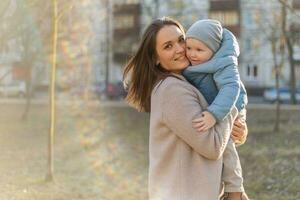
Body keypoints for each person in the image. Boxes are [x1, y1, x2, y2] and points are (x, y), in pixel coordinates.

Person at [123, 17, 248, 200]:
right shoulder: (172, 90)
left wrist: (239, 130)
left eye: (181, 40)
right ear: (155, 59)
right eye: (168, 46)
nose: (180, 49)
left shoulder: (188, 82)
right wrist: (231, 106)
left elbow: (218, 135)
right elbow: (212, 146)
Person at [182, 19, 249, 199]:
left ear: (214, 50)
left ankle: (235, 190)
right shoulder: (196, 62)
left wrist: (214, 114)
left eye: (199, 50)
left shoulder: (224, 62)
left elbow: (231, 88)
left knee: (227, 146)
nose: (192, 54)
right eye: (189, 48)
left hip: (232, 104)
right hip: (219, 103)